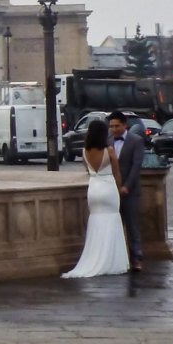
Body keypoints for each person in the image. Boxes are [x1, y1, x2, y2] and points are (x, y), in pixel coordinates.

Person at [62, 118, 130, 278]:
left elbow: (88, 170)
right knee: (112, 221)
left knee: (96, 222)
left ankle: (94, 256)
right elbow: (117, 173)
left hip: (94, 189)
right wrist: (118, 188)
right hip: (108, 188)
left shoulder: (84, 152)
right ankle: (112, 260)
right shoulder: (110, 151)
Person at [110, 110, 146, 271]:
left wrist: (127, 186)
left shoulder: (136, 141)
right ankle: (117, 259)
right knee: (115, 227)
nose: (114, 129)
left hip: (130, 191)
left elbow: (136, 165)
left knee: (132, 226)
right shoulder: (108, 140)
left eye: (117, 126)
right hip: (111, 191)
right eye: (111, 126)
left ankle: (136, 258)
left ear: (125, 125)